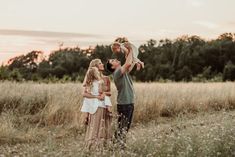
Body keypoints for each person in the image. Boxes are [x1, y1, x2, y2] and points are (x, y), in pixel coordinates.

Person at [106, 48, 135, 148]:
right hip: (124, 104)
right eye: (112, 61)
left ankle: (119, 145)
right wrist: (130, 49)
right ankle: (117, 146)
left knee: (125, 128)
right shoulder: (117, 73)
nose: (115, 59)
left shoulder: (122, 71)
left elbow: (129, 63)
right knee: (122, 127)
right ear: (113, 67)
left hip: (129, 103)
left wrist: (128, 53)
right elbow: (127, 64)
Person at [81, 59, 112, 150]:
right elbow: (84, 93)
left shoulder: (106, 78)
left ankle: (104, 147)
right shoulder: (90, 79)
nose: (102, 64)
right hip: (95, 105)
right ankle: (93, 147)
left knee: (105, 125)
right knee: (95, 125)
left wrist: (104, 94)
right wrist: (96, 97)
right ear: (95, 67)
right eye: (100, 63)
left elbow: (109, 93)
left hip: (105, 104)